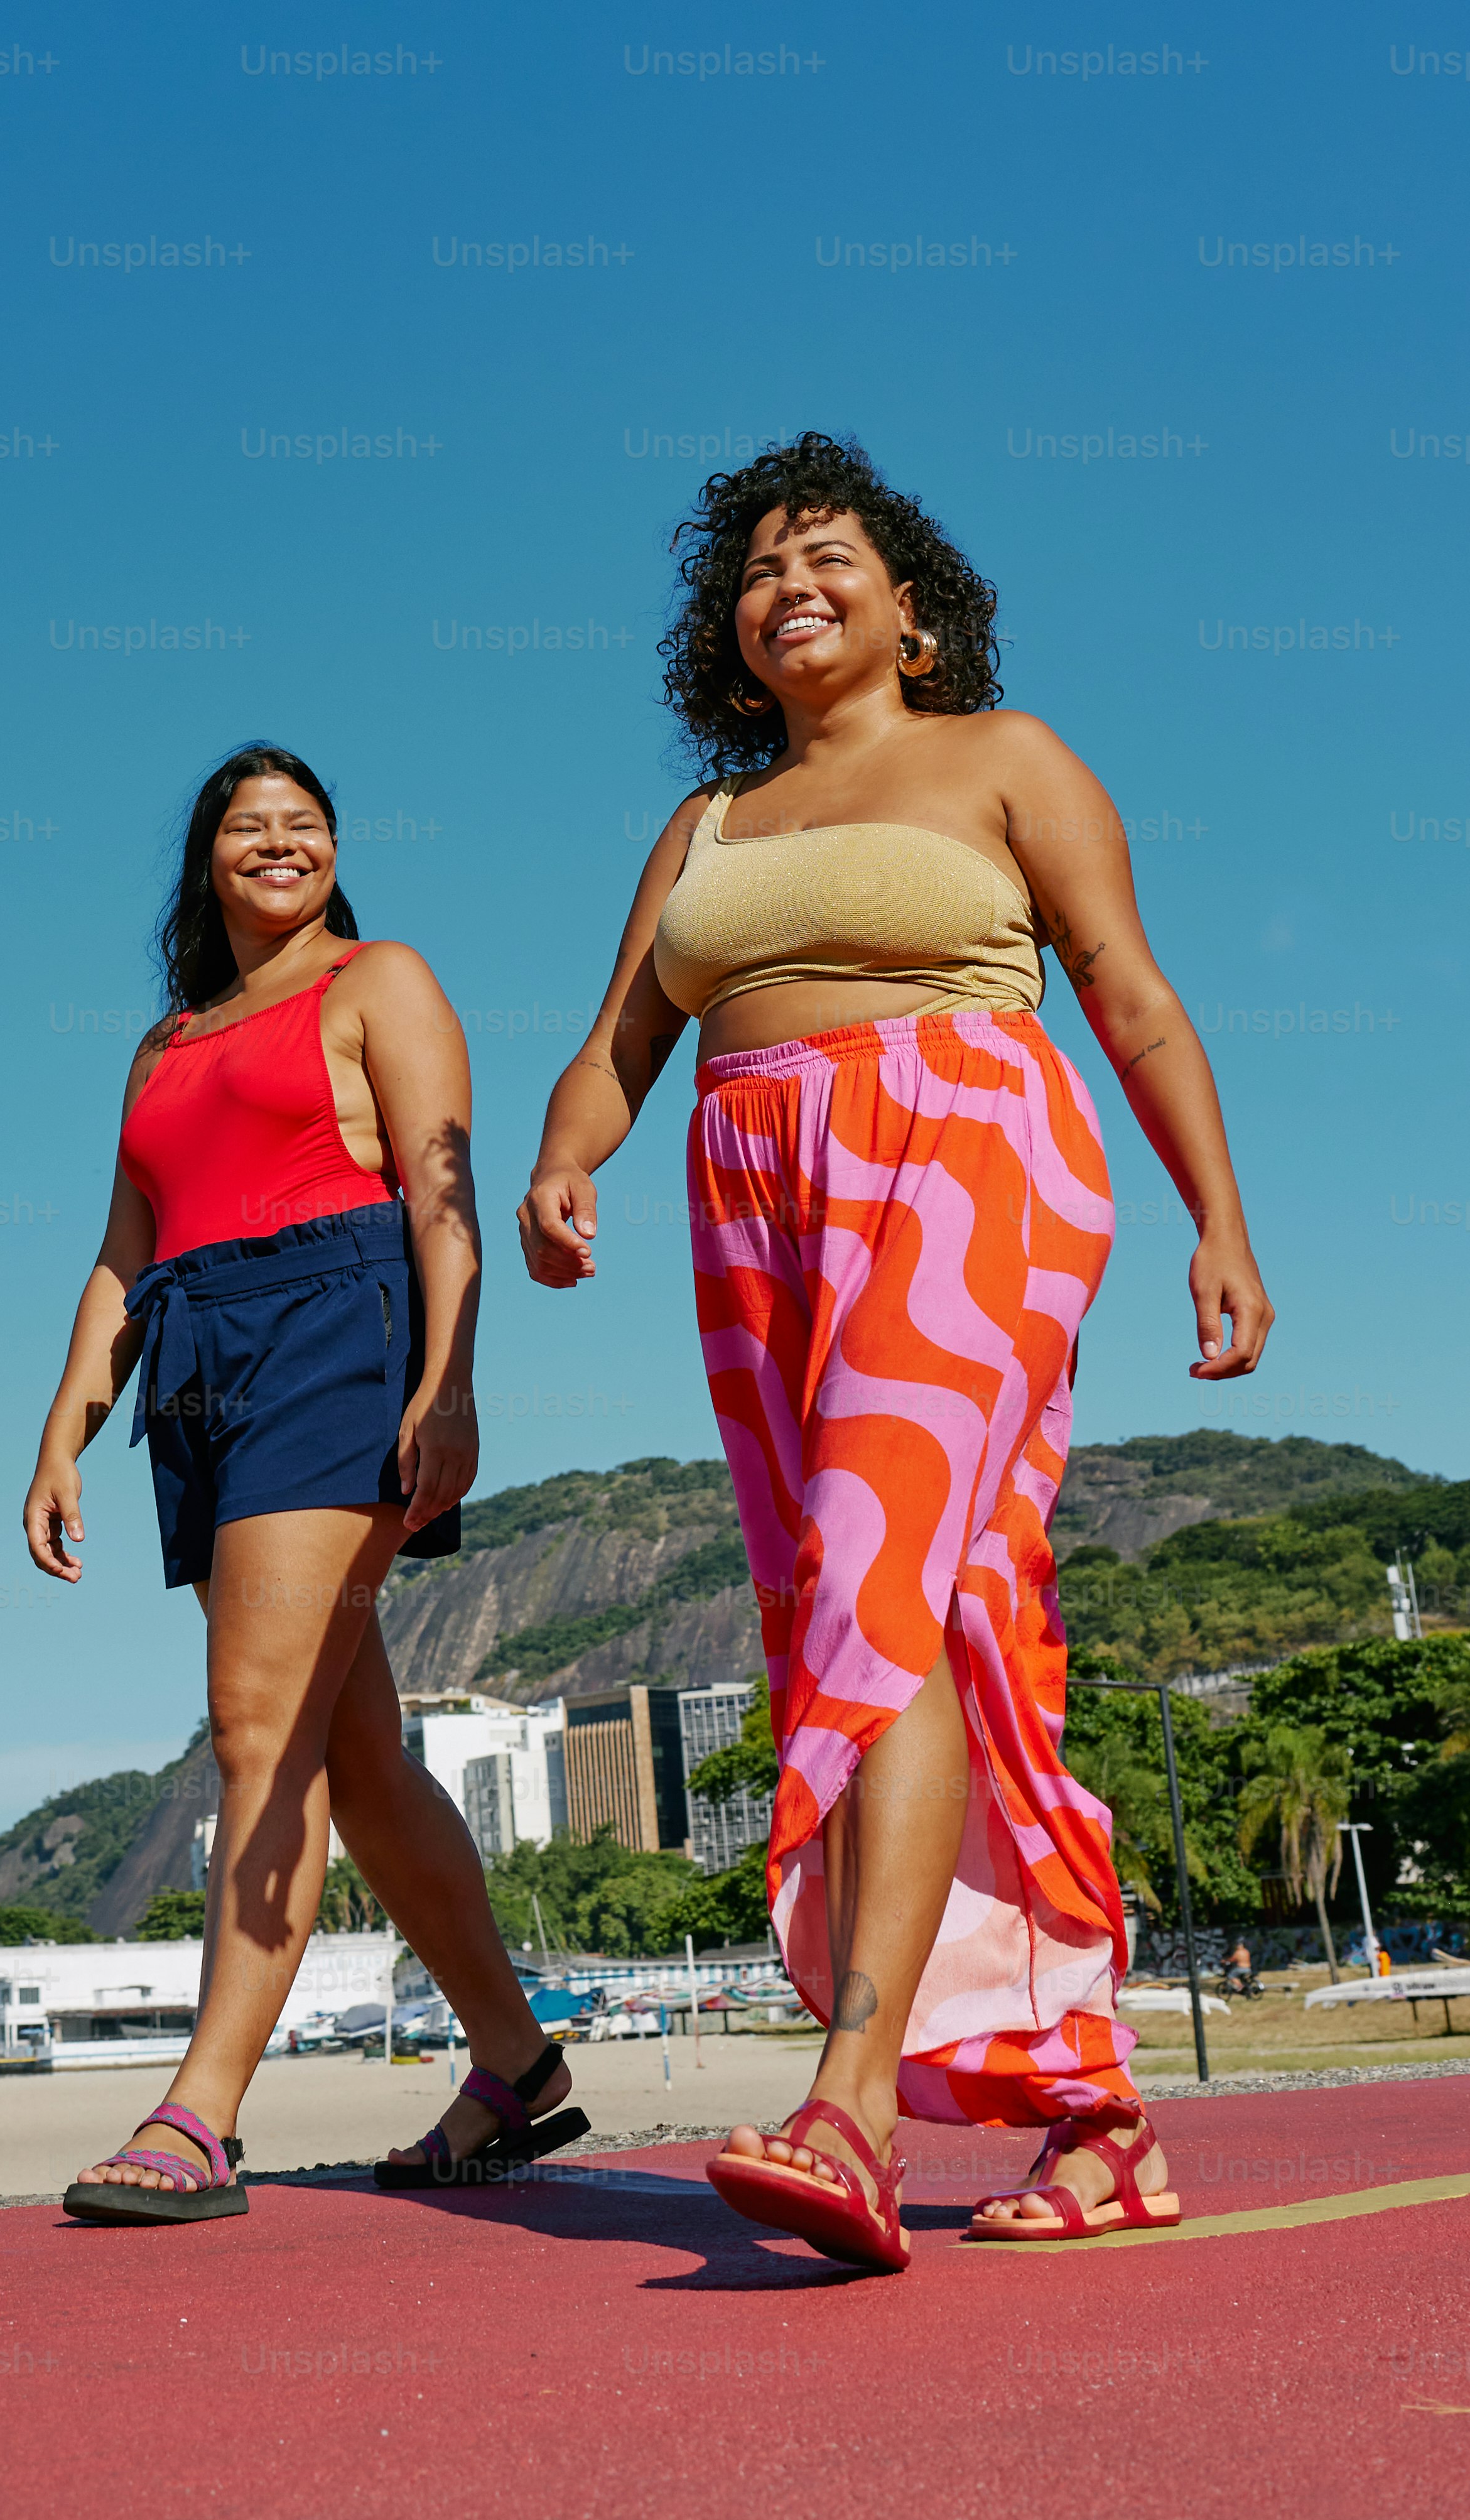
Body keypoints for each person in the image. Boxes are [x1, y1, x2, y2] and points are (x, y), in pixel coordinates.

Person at [517, 436, 1273, 2269]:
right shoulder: (704, 826)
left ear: (911, 612)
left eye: (830, 554)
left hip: (963, 1159)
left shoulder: (1005, 760)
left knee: (879, 1590)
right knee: (919, 1625)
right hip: (755, 1200)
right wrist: (559, 1158)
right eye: (759, 570)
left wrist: (1220, 1220)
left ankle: (850, 2096)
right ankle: (1093, 2112)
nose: (793, 583)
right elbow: (621, 1042)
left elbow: (1131, 993)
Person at [24, 743, 585, 2222]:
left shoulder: (379, 980)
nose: (280, 842)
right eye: (248, 826)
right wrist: (61, 1431)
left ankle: (201, 2112)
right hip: (199, 1351)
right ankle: (519, 2065)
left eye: (307, 823)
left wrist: (450, 1381)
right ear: (207, 860)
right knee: (360, 1750)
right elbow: (124, 1253)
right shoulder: (165, 1042)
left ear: (335, 850)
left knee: (255, 1724)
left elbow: (442, 1193)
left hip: (334, 1329)